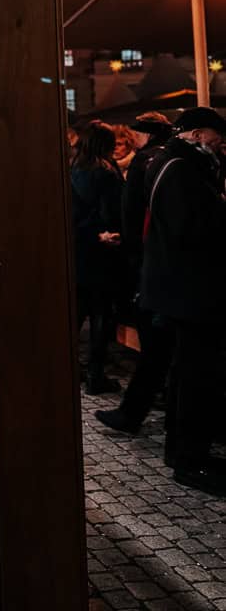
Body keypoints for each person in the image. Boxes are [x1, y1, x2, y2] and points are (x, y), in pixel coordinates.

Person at [136, 106, 226, 494]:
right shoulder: (180, 169)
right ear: (196, 133)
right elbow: (190, 229)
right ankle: (191, 460)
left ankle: (183, 452)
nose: (219, 143)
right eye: (215, 136)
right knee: (195, 375)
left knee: (185, 371)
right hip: (190, 288)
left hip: (177, 286)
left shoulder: (169, 162)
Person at [95, 112, 173, 434]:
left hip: (152, 266)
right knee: (163, 347)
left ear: (143, 135)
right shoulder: (172, 161)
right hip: (166, 265)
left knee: (157, 345)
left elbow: (131, 214)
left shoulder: (146, 163)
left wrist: (129, 250)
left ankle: (135, 413)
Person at [70, 120, 124, 395]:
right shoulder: (107, 172)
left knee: (77, 313)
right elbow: (112, 212)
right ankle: (95, 372)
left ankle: (70, 367)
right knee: (102, 314)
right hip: (103, 251)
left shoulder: (72, 169)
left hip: (79, 249)